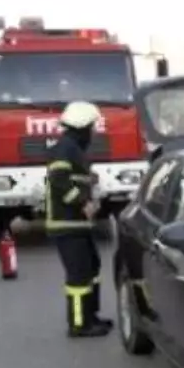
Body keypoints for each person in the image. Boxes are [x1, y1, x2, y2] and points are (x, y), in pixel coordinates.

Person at [46, 101, 112, 338]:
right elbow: (59, 179)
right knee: (78, 276)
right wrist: (82, 203)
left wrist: (89, 179)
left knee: (91, 268)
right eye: (91, 127)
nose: (93, 132)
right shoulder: (65, 148)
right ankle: (78, 324)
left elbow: (72, 177)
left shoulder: (73, 148)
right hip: (67, 225)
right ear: (82, 126)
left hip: (79, 225)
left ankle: (91, 315)